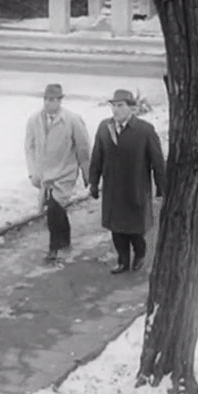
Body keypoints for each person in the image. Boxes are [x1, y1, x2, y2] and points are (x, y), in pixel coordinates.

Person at [88, 89, 166, 274]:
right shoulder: (104, 128)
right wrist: (93, 182)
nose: (116, 110)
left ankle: (140, 253)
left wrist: (161, 186)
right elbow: (97, 156)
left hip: (135, 187)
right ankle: (123, 260)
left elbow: (157, 160)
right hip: (113, 189)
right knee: (116, 229)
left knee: (134, 230)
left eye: (121, 105)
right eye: (114, 106)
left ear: (131, 107)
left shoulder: (144, 130)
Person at [25, 84, 91, 262]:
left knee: (54, 208)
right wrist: (32, 173)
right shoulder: (34, 120)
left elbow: (83, 147)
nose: (49, 103)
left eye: (53, 99)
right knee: (56, 209)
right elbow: (29, 147)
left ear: (60, 101)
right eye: (47, 99)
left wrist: (87, 172)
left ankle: (53, 248)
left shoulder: (72, 120)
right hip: (44, 174)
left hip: (65, 172)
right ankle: (65, 240)